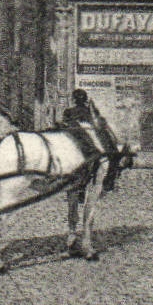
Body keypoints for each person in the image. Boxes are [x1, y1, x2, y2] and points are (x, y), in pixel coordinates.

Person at [59, 89, 118, 259]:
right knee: (87, 203)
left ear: (73, 99)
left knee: (72, 204)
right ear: (84, 100)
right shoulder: (90, 112)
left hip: (73, 163)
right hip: (91, 162)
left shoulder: (69, 112)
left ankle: (71, 237)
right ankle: (84, 241)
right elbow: (102, 134)